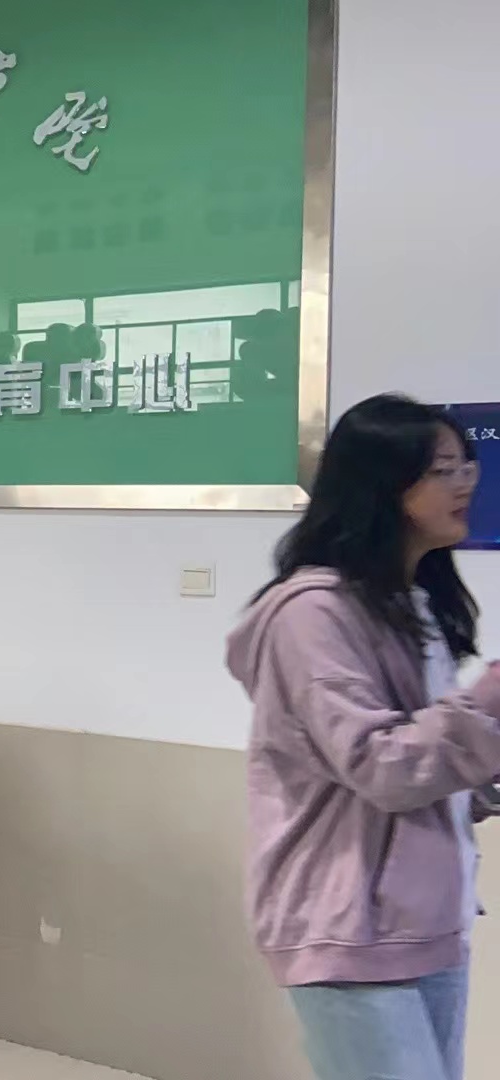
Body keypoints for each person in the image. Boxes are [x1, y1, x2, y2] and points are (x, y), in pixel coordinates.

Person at [228, 394, 500, 1080]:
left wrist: (482, 786)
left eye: (467, 466)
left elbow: (427, 767)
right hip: (347, 927)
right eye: (443, 470)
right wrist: (491, 696)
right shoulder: (312, 616)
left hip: (428, 920)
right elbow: (382, 767)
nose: (466, 484)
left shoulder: (416, 605)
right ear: (383, 485)